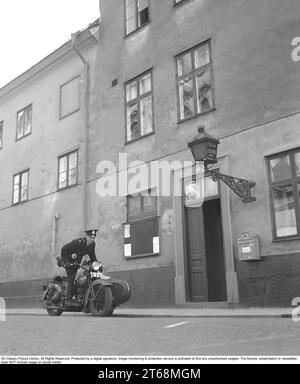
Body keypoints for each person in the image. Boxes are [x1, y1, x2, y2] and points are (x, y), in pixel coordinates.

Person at [58, 229, 100, 306]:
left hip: (77, 263)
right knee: (71, 278)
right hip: (69, 262)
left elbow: (92, 257)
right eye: (91, 237)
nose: (92, 239)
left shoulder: (92, 245)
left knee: (84, 277)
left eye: (94, 238)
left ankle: (81, 297)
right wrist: (67, 262)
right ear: (86, 237)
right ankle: (68, 299)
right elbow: (64, 249)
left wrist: (97, 265)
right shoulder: (78, 242)